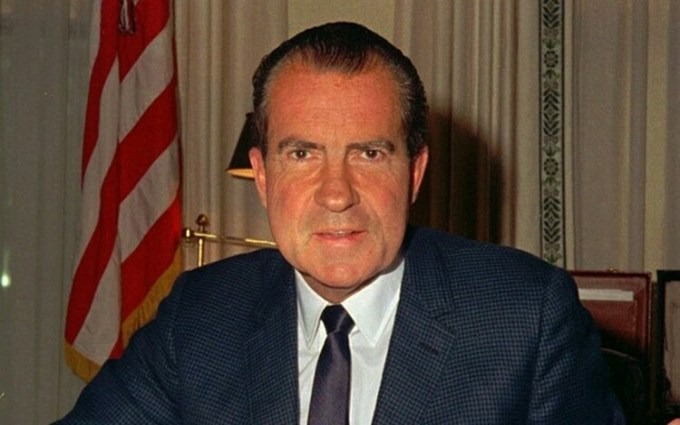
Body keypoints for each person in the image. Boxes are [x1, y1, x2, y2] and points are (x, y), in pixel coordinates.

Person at [55, 22, 625, 424]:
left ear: (414, 172)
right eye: (302, 154)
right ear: (262, 174)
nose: (336, 194)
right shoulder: (202, 317)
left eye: (369, 154)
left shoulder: (524, 319)